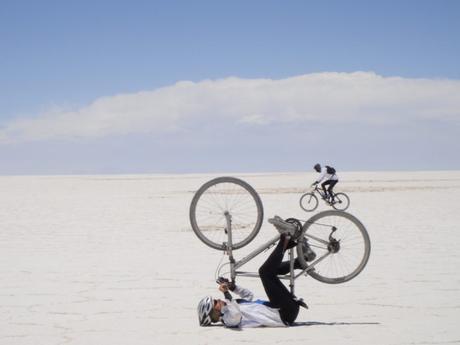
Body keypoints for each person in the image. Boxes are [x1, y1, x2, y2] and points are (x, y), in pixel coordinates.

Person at [197, 217, 308, 328]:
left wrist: (232, 287)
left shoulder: (231, 306)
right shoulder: (228, 320)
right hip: (284, 314)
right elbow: (236, 316)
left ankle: (300, 261)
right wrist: (226, 293)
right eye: (215, 302)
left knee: (272, 270)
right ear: (212, 313)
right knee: (265, 272)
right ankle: (285, 237)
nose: (218, 300)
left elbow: (248, 295)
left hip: (285, 306)